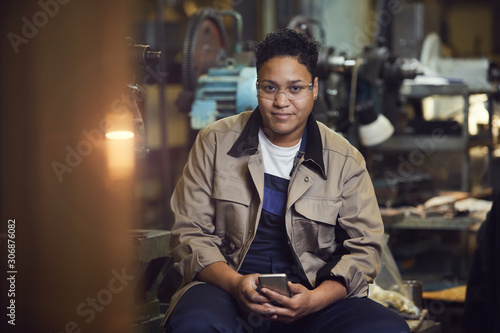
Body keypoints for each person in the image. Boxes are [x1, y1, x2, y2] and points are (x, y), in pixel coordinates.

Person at [163, 28, 410, 333]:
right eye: (270, 88)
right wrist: (236, 283)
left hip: (310, 297)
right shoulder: (215, 142)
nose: (281, 101)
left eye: (295, 88)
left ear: (314, 89)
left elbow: (364, 250)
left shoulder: (345, 160)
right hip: (227, 288)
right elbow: (189, 233)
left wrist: (315, 299)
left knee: (385, 328)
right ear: (257, 88)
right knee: (197, 324)